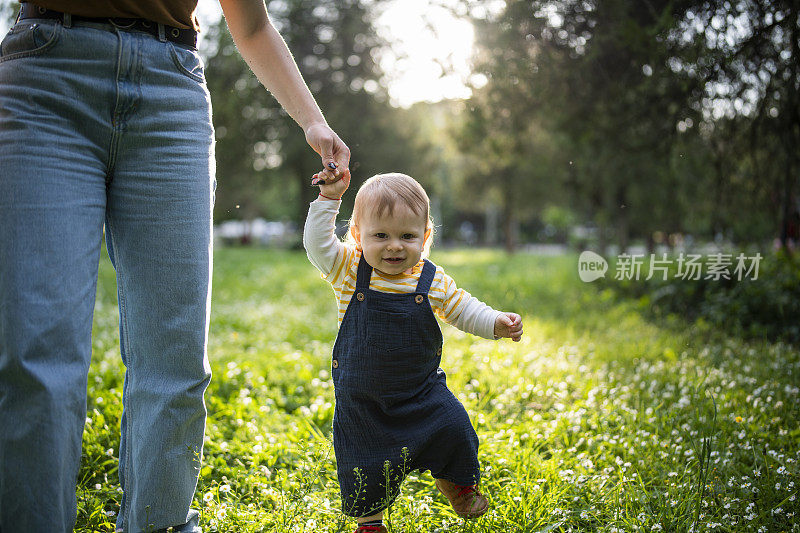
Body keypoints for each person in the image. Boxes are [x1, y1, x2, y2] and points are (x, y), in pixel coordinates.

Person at [0, 1, 350, 532]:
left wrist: (314, 121)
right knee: (36, 356)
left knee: (176, 361)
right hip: (46, 76)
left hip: (171, 92)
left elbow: (250, 23)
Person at [303, 172, 523, 533]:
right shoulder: (347, 268)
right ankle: (369, 521)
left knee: (454, 427)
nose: (394, 246)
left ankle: (457, 485)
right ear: (358, 236)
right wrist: (329, 199)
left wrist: (496, 322)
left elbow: (464, 308)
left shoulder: (430, 279)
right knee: (362, 460)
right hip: (363, 398)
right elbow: (317, 243)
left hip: (421, 390)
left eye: (407, 236)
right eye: (381, 236)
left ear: (426, 237)